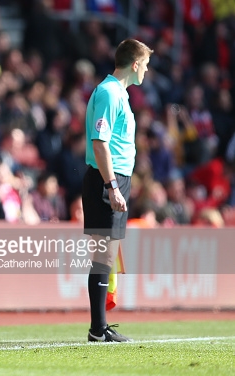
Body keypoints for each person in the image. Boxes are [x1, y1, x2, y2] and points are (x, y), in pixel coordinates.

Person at [82, 39, 153, 342]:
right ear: (135, 64)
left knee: (106, 256)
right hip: (105, 180)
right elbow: (100, 143)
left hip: (113, 180)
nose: (147, 71)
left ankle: (100, 326)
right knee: (103, 255)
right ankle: (98, 328)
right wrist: (111, 186)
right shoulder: (111, 93)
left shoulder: (116, 93)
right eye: (146, 64)